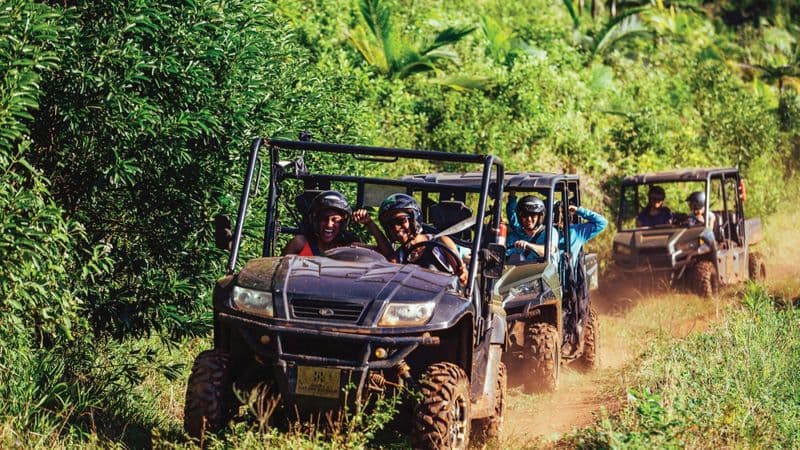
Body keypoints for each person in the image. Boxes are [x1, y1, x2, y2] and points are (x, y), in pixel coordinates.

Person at [364, 193, 468, 284]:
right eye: (390, 224)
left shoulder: (441, 242)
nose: (396, 228)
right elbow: (388, 255)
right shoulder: (400, 255)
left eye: (401, 221)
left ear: (414, 220)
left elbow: (463, 277)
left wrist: (462, 273)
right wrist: (370, 223)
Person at [281, 190, 358, 256]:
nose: (329, 225)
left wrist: (369, 223)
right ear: (316, 220)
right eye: (324, 219)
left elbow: (370, 252)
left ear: (342, 223)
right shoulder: (300, 243)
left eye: (335, 220)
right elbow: (278, 269)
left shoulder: (348, 247)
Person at [506, 194, 559, 264]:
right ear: (520, 217)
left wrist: (528, 245)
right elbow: (504, 257)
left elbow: (550, 250)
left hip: (544, 273)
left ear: (540, 217)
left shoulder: (549, 232)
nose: (529, 219)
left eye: (533, 215)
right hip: (518, 273)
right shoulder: (514, 236)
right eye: (525, 215)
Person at [556, 201, 608, 268]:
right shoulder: (544, 230)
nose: (558, 216)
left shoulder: (576, 231)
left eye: (560, 213)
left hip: (564, 273)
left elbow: (602, 222)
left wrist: (578, 210)